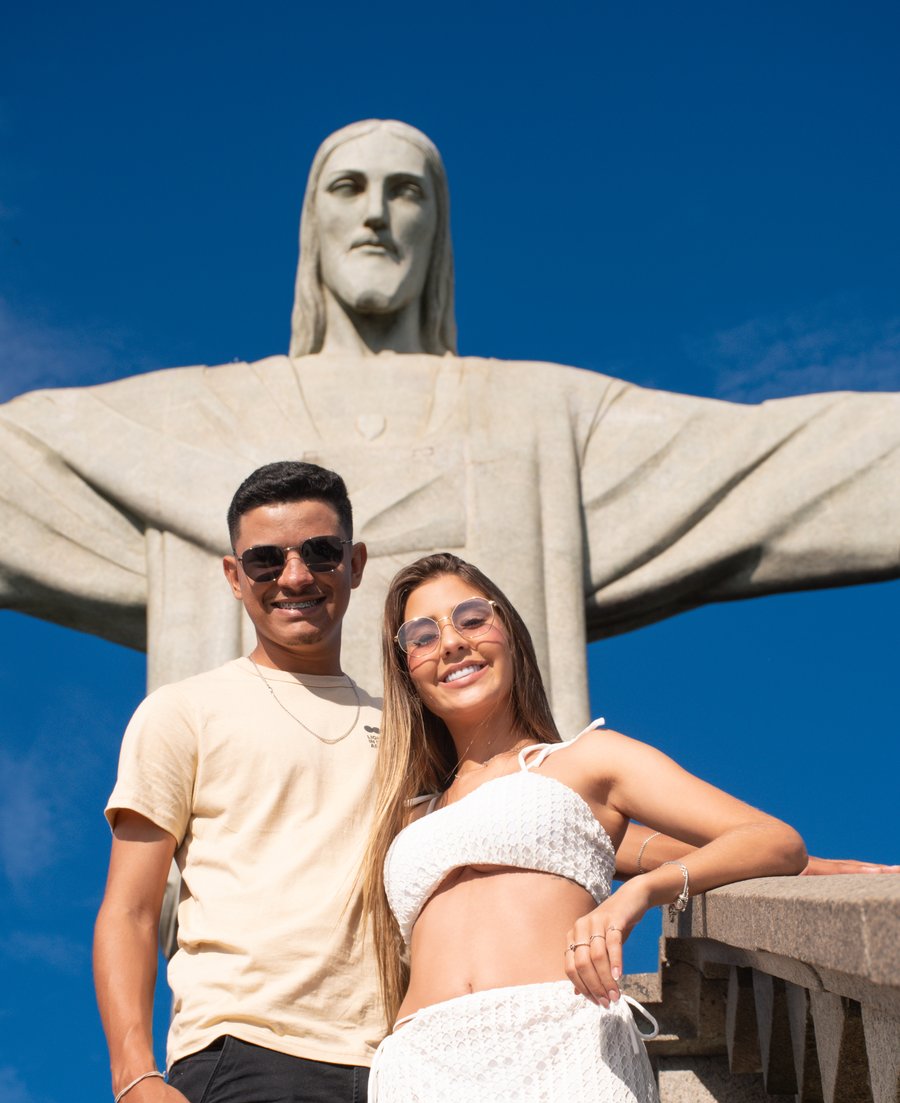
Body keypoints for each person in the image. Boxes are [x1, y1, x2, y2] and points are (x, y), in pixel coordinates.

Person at [0, 119, 898, 732]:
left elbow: (784, 466)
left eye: (407, 193)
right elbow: (22, 462)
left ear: (437, 230)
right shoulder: (202, 416)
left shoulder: (534, 415)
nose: (378, 215)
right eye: (349, 189)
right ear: (313, 227)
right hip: (271, 899)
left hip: (485, 867)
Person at [360, 552, 809, 1103]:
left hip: (561, 1066)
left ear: (510, 633)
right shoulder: (404, 812)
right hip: (426, 1090)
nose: (452, 644)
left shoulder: (587, 762)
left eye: (472, 618)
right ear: (406, 668)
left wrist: (640, 890)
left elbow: (770, 840)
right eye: (422, 634)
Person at [93, 461, 389, 1103]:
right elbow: (130, 913)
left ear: (356, 562)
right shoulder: (184, 713)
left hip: (403, 1083)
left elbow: (558, 819)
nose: (294, 576)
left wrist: (785, 860)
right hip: (244, 1068)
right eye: (266, 560)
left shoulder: (412, 727)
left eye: (319, 551)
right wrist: (135, 1080)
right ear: (234, 574)